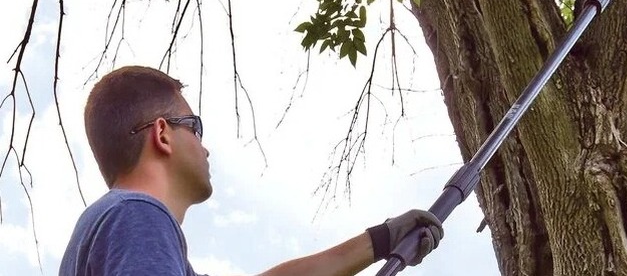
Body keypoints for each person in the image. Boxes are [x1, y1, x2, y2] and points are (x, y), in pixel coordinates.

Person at [59, 65, 443, 276]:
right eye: (194, 126)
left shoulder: (126, 226)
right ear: (163, 133)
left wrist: (379, 240)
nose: (204, 146)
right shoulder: (138, 216)